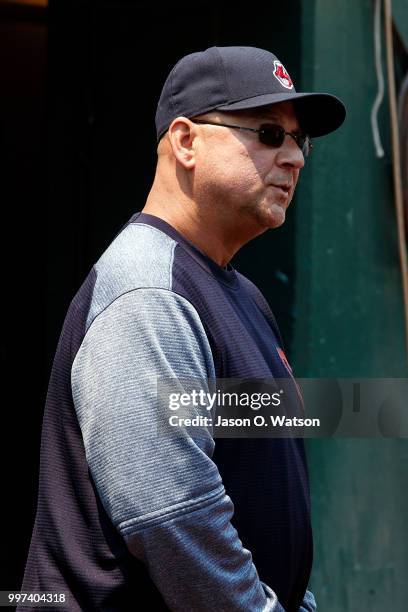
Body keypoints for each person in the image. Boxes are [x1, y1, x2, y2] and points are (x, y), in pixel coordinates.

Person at [18, 46, 345, 611]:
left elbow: (265, 493)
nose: (294, 157)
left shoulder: (241, 294)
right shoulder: (149, 289)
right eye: (270, 133)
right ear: (187, 141)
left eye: (301, 141)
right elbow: (172, 516)